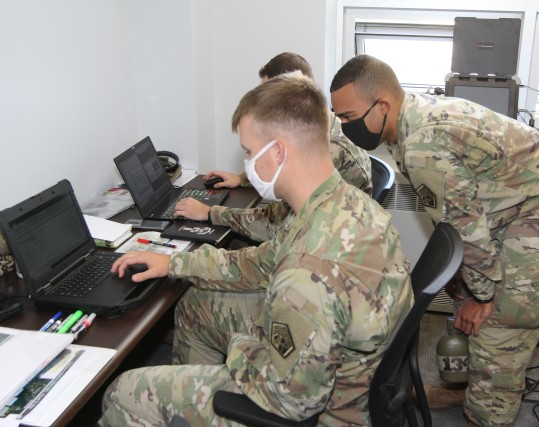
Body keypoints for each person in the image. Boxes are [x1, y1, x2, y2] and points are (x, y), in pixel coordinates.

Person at [99, 73, 413, 426]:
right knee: (197, 304)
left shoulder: (307, 269)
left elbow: (293, 403)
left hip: (323, 410)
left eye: (249, 152)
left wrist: (240, 346)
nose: (246, 163)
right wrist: (174, 262)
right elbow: (264, 261)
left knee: (123, 392)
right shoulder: (344, 202)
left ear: (277, 152)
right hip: (348, 366)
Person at [329, 54, 539, 426]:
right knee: (466, 296)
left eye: (348, 117)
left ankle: (488, 413)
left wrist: (484, 296)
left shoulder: (423, 141)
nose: (345, 127)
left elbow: (464, 228)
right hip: (520, 201)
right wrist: (467, 289)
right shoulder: (403, 126)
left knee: (501, 323)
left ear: (382, 105)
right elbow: (459, 215)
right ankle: (466, 388)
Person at [175, 52, 372, 242]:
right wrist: (244, 179)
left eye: (270, 95)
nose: (263, 105)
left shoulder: (331, 153)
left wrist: (210, 213)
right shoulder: (323, 134)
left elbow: (276, 228)